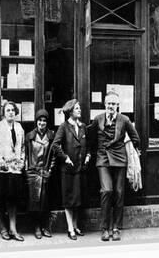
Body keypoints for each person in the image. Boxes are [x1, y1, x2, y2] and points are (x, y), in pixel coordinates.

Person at [90, 91, 140, 242]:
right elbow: (91, 138)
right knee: (106, 190)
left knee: (119, 192)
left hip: (119, 159)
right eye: (109, 103)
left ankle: (116, 228)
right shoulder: (98, 119)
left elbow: (135, 138)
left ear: (118, 105)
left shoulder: (124, 120)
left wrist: (134, 152)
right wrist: (90, 154)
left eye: (114, 104)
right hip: (103, 159)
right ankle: (105, 228)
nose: (111, 106)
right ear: (104, 104)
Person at [51, 99, 90, 240]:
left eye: (79, 108)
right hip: (68, 170)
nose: (80, 110)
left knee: (78, 200)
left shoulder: (83, 126)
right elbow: (55, 145)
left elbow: (88, 145)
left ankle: (75, 226)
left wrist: (88, 156)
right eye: (77, 108)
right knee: (69, 200)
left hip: (80, 169)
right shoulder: (64, 127)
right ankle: (70, 228)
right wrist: (65, 158)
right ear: (70, 111)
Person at [0, 101, 26, 242]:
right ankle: (4, 228)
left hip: (15, 170)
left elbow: (22, 147)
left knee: (13, 200)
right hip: (1, 169)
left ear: (16, 112)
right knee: (2, 200)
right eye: (8, 110)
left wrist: (22, 161)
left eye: (12, 110)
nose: (10, 112)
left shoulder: (19, 127)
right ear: (4, 113)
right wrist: (0, 160)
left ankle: (13, 229)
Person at [24, 109, 56, 239]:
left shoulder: (51, 136)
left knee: (45, 201)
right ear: (36, 122)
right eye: (39, 120)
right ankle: (36, 226)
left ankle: (45, 226)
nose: (42, 123)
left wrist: (50, 171)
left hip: (45, 172)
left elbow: (53, 156)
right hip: (33, 172)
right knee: (34, 201)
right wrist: (27, 171)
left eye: (44, 121)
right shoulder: (30, 136)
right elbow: (25, 154)